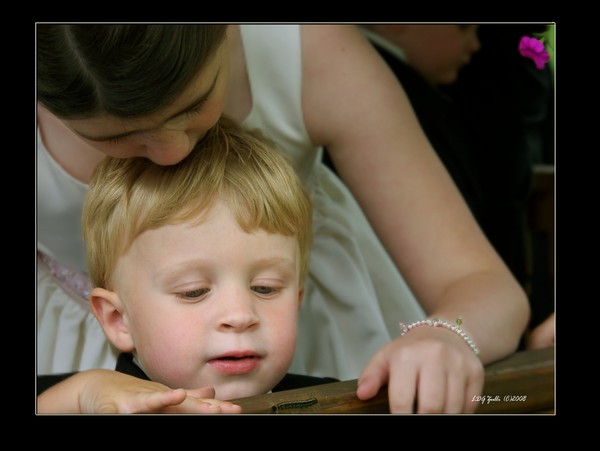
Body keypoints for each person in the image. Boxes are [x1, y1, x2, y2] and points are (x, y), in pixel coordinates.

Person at [37, 24, 530, 414]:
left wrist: (447, 333)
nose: (171, 155)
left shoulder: (312, 56)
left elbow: (481, 284)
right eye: (115, 138)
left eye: (192, 105)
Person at [38, 117, 337, 413]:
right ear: (119, 319)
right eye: (194, 291)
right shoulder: (85, 406)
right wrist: (79, 395)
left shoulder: (333, 400)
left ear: (297, 300)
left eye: (265, 288)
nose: (240, 315)